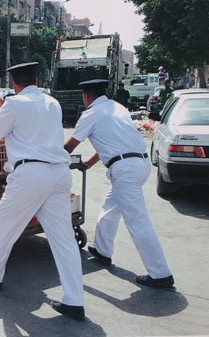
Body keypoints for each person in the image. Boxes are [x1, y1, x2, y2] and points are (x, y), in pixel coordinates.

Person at [0, 62, 85, 321]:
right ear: (36, 78)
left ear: (14, 83)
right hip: (58, 174)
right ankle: (75, 300)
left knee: (3, 226)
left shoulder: (15, 103)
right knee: (64, 240)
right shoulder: (52, 103)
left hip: (31, 174)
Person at [64, 79, 174, 289]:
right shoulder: (117, 107)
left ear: (86, 97)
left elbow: (69, 146)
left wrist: (48, 159)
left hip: (125, 170)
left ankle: (161, 274)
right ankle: (103, 251)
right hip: (138, 164)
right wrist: (89, 163)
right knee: (109, 210)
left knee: (137, 220)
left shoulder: (90, 114)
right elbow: (110, 142)